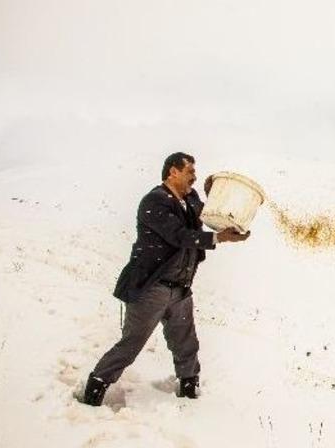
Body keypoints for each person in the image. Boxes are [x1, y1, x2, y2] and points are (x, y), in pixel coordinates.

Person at [80, 152, 249, 406]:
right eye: (190, 171)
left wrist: (221, 204)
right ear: (173, 171)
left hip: (181, 289)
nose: (194, 176)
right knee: (131, 344)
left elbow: (211, 216)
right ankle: (95, 387)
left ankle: (190, 390)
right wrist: (218, 239)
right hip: (152, 288)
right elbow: (180, 235)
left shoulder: (190, 199)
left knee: (186, 343)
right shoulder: (155, 201)